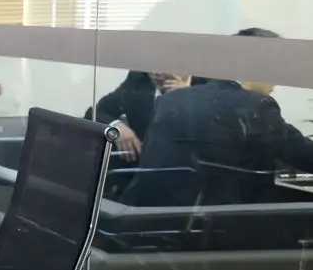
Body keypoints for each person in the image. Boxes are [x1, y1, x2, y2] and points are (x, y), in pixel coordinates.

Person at [122, 28, 313, 208]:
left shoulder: (173, 98)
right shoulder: (256, 105)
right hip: (228, 221)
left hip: (153, 216)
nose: (276, 82)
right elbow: (298, 151)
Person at [86, 69, 188, 161]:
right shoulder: (139, 79)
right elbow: (94, 113)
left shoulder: (197, 88)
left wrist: (190, 97)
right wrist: (116, 127)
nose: (156, 73)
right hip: (141, 166)